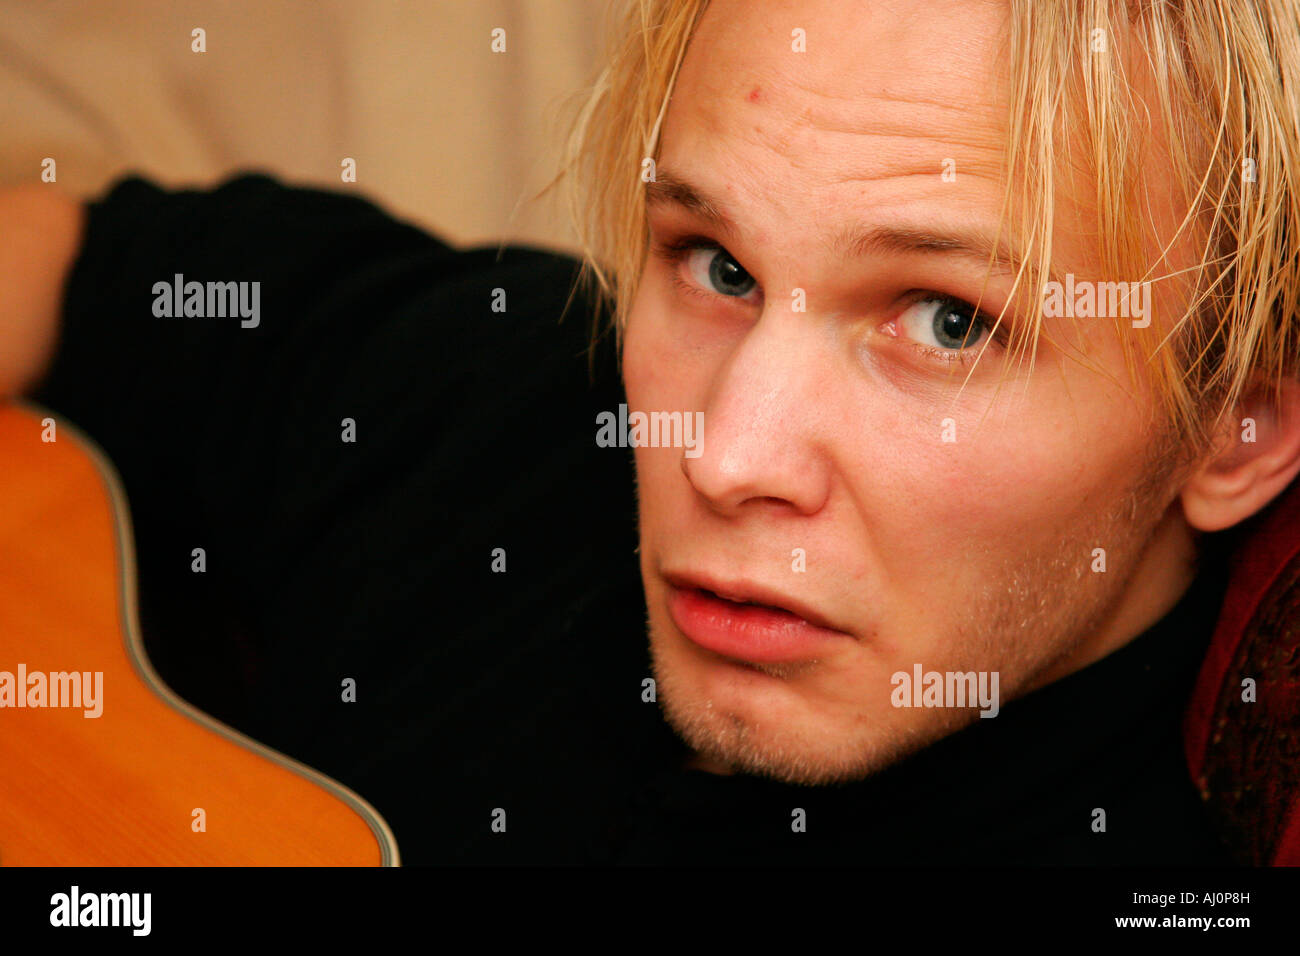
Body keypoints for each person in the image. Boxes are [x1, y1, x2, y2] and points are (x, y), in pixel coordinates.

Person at [3, 0, 1298, 864]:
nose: (721, 455)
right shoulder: (490, 406)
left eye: (947, 320)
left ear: (1237, 426)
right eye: (717, 264)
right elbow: (86, 262)